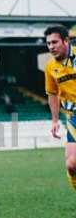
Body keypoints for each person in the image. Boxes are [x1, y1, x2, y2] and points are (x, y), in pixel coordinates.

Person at [44, 25, 76, 191]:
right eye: (48, 43)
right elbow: (52, 94)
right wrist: (55, 120)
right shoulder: (50, 67)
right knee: (71, 167)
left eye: (55, 42)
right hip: (72, 117)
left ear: (66, 41)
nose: (51, 46)